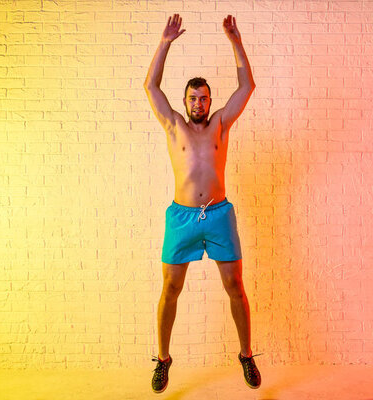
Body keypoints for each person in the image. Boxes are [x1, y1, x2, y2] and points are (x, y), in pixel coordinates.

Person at [144, 14, 260, 393]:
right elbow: (150, 86)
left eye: (204, 98)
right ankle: (163, 360)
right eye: (193, 98)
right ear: (185, 101)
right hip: (181, 218)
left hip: (219, 214)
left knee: (235, 285)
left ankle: (245, 355)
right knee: (170, 289)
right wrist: (165, 42)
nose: (199, 102)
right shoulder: (173, 124)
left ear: (210, 101)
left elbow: (247, 85)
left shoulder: (221, 125)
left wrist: (235, 39)